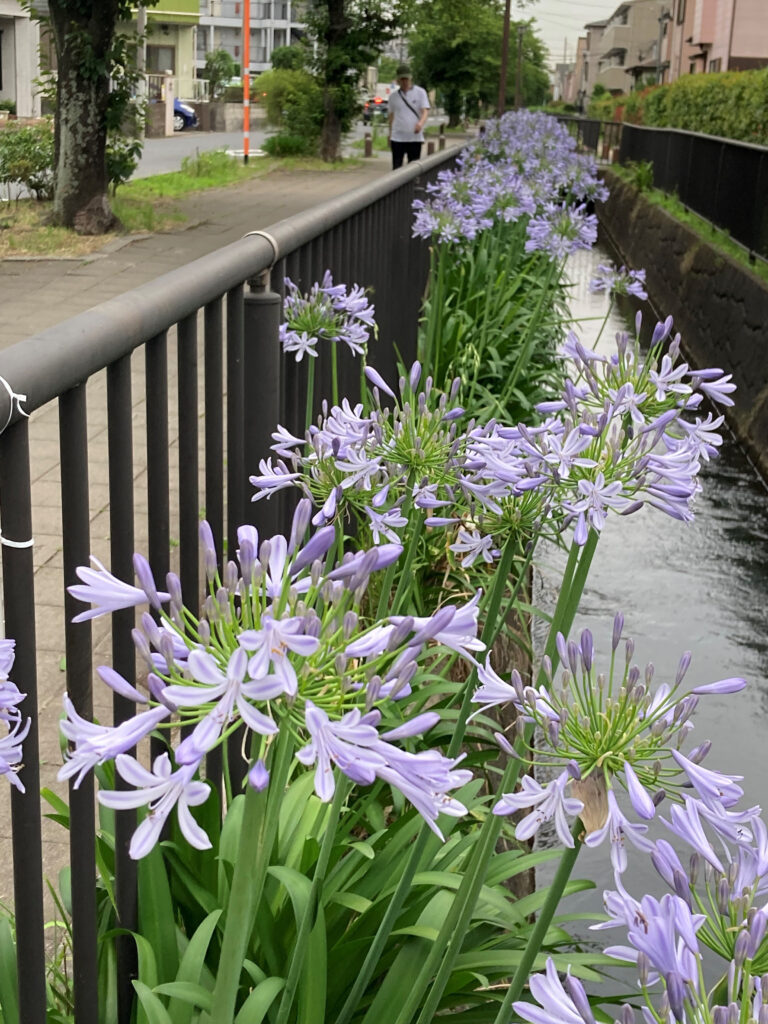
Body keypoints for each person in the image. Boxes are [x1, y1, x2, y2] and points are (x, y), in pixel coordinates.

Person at [387, 63, 430, 170]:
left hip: (414, 138)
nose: (405, 82)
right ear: (398, 80)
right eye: (402, 79)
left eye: (407, 79)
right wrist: (390, 134)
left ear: (411, 78)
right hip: (397, 137)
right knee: (396, 167)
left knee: (413, 167)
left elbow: (425, 111)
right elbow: (391, 116)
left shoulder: (420, 92)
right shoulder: (393, 97)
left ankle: (412, 186)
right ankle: (397, 186)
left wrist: (420, 123)